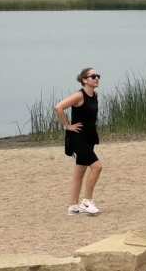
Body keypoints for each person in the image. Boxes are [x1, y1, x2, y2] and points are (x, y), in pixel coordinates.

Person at [55, 67, 103, 215]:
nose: (96, 78)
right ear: (84, 80)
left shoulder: (94, 95)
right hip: (78, 138)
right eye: (93, 76)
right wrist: (67, 126)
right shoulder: (79, 96)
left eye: (97, 76)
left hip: (89, 137)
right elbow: (59, 107)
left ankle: (73, 206)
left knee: (79, 172)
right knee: (97, 166)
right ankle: (87, 202)